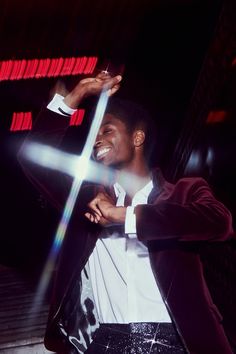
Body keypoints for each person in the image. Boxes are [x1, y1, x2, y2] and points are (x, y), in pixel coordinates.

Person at [18, 72, 234, 354]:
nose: (98, 140)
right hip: (106, 342)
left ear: (138, 137)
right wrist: (76, 95)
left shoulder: (184, 192)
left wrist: (126, 217)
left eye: (107, 130)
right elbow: (34, 158)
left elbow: (220, 222)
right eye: (94, 135)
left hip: (177, 342)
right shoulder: (88, 199)